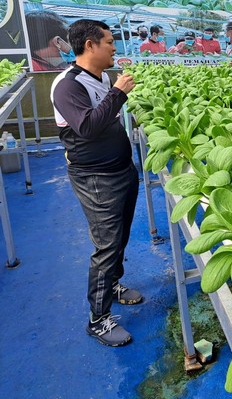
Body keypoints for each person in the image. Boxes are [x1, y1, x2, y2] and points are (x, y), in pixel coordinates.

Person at [50, 19, 142, 347]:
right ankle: (99, 320)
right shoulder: (67, 85)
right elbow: (87, 127)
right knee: (106, 245)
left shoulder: (100, 76)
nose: (115, 47)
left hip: (120, 170)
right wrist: (118, 93)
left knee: (119, 238)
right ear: (90, 45)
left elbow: (108, 119)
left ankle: (113, 285)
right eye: (109, 42)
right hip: (96, 179)